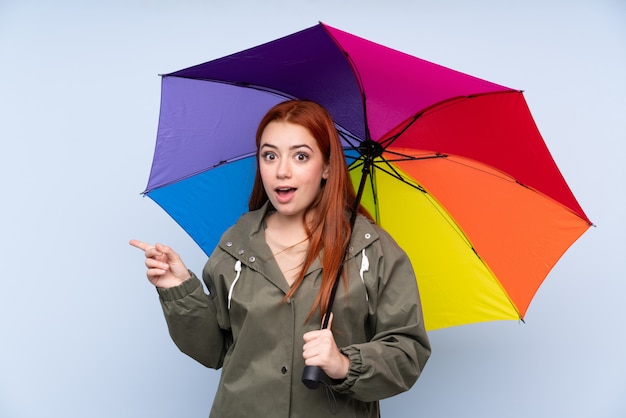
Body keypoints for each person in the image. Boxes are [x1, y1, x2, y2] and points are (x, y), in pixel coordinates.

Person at [130, 100, 430, 417]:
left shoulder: (372, 250)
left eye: (301, 156)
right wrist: (179, 288)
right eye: (270, 155)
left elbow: (408, 351)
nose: (282, 171)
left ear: (327, 166)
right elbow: (214, 351)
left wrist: (343, 364)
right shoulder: (236, 244)